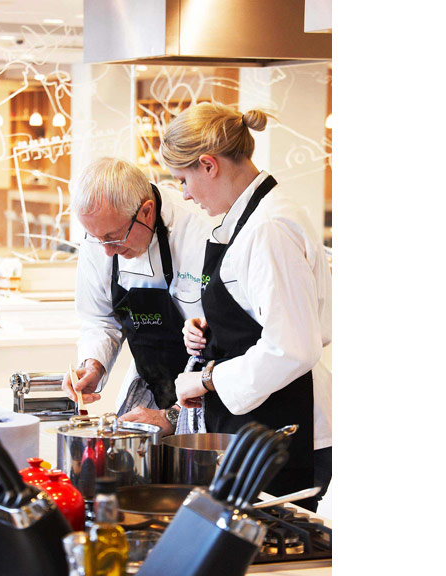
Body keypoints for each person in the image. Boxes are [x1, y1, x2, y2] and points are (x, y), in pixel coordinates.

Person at [161, 102, 332, 511]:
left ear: (208, 165)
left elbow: (291, 347)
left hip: (285, 426)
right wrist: (211, 329)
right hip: (257, 422)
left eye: (182, 179)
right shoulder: (247, 220)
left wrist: (206, 380)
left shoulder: (269, 227)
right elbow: (262, 315)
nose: (184, 194)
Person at [64, 157, 214, 436]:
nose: (107, 251)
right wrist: (93, 365)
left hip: (210, 396)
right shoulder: (99, 235)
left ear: (146, 212)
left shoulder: (200, 229)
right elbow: (99, 319)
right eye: (97, 239)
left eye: (113, 237)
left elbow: (228, 345)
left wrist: (173, 415)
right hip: (153, 383)